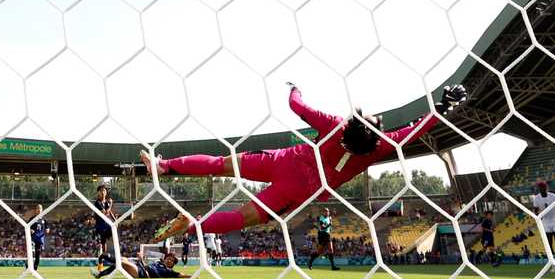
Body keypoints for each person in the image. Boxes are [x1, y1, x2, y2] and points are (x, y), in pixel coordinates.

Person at [146, 83, 467, 241]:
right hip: (301, 189)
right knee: (242, 218)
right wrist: (443, 106)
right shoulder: (380, 146)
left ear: (354, 125)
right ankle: (194, 226)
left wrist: (295, 88)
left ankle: (165, 166)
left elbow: (297, 107)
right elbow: (413, 131)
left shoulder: (335, 126)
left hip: (283, 162)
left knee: (221, 164)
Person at [90, 252, 190, 279]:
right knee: (123, 259)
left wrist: (192, 276)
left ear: (173, 265)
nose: (169, 260)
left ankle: (103, 259)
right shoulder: (159, 263)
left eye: (172, 261)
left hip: (142, 274)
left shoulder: (169, 271)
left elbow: (180, 274)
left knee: (121, 262)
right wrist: (140, 260)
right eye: (169, 258)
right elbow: (146, 265)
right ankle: (99, 273)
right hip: (139, 267)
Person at [92, 184, 115, 272]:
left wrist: (115, 220)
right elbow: (105, 213)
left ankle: (115, 259)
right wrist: (110, 204)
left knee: (115, 240)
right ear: (98, 192)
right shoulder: (97, 203)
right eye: (101, 190)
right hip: (100, 226)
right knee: (102, 247)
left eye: (104, 190)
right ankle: (101, 263)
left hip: (108, 225)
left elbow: (110, 213)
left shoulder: (107, 202)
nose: (103, 192)